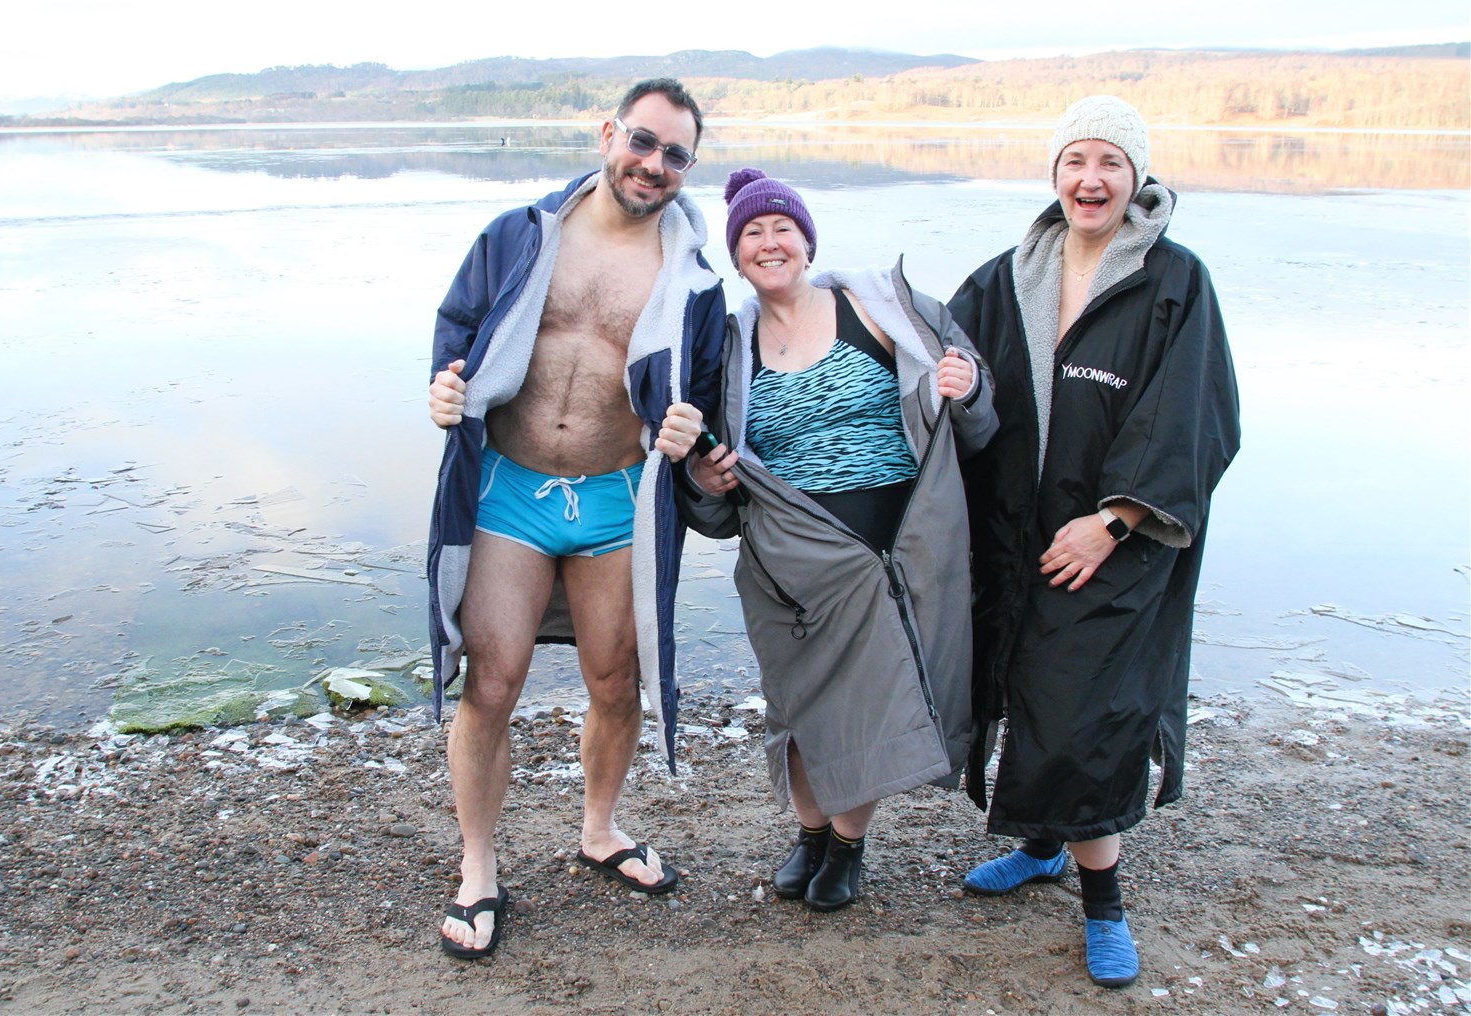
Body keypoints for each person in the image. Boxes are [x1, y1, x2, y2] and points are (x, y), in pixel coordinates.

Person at [425, 79, 726, 959]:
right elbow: (458, 329)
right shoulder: (521, 234)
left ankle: (600, 828)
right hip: (510, 490)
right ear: (608, 134)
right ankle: (478, 866)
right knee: (491, 682)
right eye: (643, 141)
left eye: (676, 155)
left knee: (613, 681)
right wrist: (447, 384)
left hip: (616, 500)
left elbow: (705, 394)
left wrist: (692, 425)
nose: (655, 165)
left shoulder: (694, 278)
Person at [947, 96, 1241, 987]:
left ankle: (1104, 906)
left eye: (1111, 163)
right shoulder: (1005, 278)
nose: (1092, 179)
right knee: (1025, 685)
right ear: (1054, 176)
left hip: (1116, 541)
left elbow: (1193, 416)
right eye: (1077, 161)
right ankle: (1042, 844)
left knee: (1087, 714)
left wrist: (1115, 519)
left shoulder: (1173, 282)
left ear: (1137, 179)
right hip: (1015, 535)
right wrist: (951, 386)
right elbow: (950, 372)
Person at [683, 169, 997, 910]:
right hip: (790, 567)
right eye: (752, 233)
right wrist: (706, 480)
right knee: (796, 708)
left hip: (893, 553)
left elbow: (981, 424)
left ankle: (847, 848)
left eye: (781, 227)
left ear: (807, 239)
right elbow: (711, 501)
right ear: (736, 255)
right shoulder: (727, 346)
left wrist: (970, 390)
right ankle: (810, 834)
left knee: (873, 702)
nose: (769, 242)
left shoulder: (882, 309)